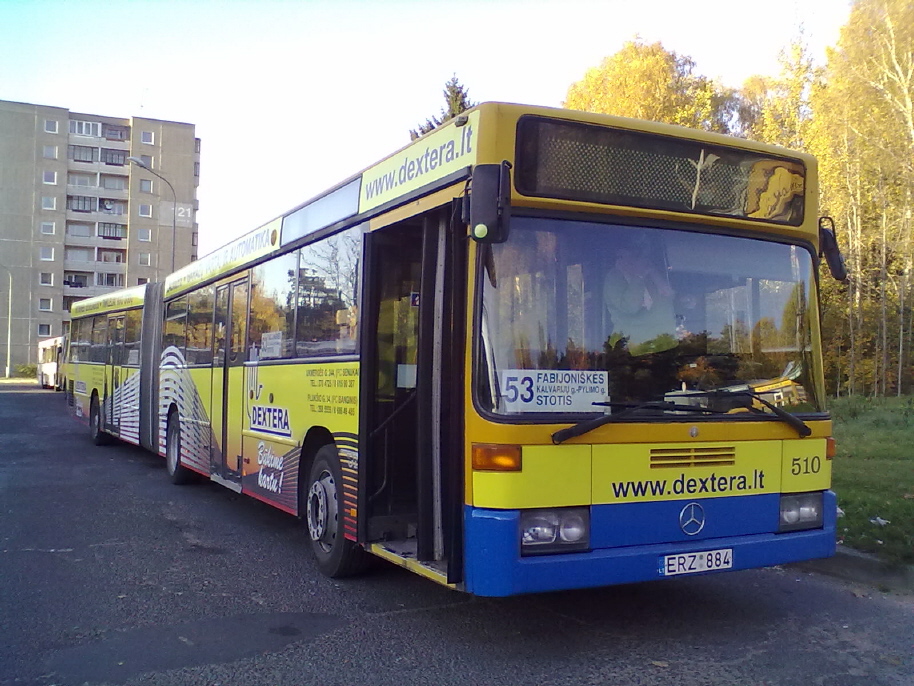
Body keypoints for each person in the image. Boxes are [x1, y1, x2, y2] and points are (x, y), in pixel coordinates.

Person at [604, 235, 677, 356]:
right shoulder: (614, 277)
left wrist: (653, 271)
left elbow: (669, 295)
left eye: (636, 256)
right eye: (623, 256)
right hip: (631, 349)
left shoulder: (650, 275)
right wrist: (638, 277)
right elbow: (630, 307)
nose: (632, 260)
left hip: (663, 346)